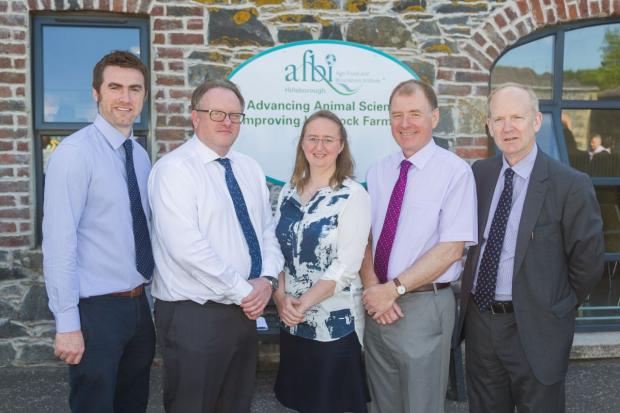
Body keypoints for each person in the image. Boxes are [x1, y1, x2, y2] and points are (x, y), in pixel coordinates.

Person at [455, 83, 605, 412]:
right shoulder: (480, 174)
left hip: (537, 328)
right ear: (490, 126)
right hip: (481, 324)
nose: (507, 127)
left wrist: (555, 307)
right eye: (499, 119)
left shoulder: (570, 184)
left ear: (536, 121)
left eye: (517, 117)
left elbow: (589, 264)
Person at [148, 79, 284, 413]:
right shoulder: (174, 170)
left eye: (235, 115)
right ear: (195, 117)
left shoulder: (249, 168)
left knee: (236, 404)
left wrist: (267, 281)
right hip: (194, 315)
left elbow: (267, 231)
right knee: (193, 406)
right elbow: (187, 249)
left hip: (243, 311)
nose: (227, 121)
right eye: (217, 113)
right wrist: (246, 292)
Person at [42, 50, 155, 413]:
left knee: (132, 404)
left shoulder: (138, 155)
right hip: (95, 313)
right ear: (96, 93)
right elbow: (59, 244)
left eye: (134, 89)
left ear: (144, 95)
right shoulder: (74, 154)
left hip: (139, 306)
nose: (125, 98)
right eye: (115, 87)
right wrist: (67, 323)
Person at [361, 79, 477, 413]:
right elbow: (363, 239)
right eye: (397, 115)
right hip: (377, 306)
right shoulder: (379, 171)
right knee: (382, 405)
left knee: (421, 407)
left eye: (415, 113)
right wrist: (373, 288)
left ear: (435, 117)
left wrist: (393, 289)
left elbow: (451, 249)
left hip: (424, 306)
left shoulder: (454, 173)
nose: (405, 123)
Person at [273, 110, 371, 413]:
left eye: (328, 139)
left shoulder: (353, 196)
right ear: (302, 144)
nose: (320, 146)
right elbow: (277, 251)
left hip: (334, 325)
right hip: (292, 321)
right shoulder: (288, 191)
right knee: (301, 403)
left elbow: (346, 267)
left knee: (334, 405)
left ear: (341, 146)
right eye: (313, 138)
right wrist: (280, 298)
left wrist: (303, 303)